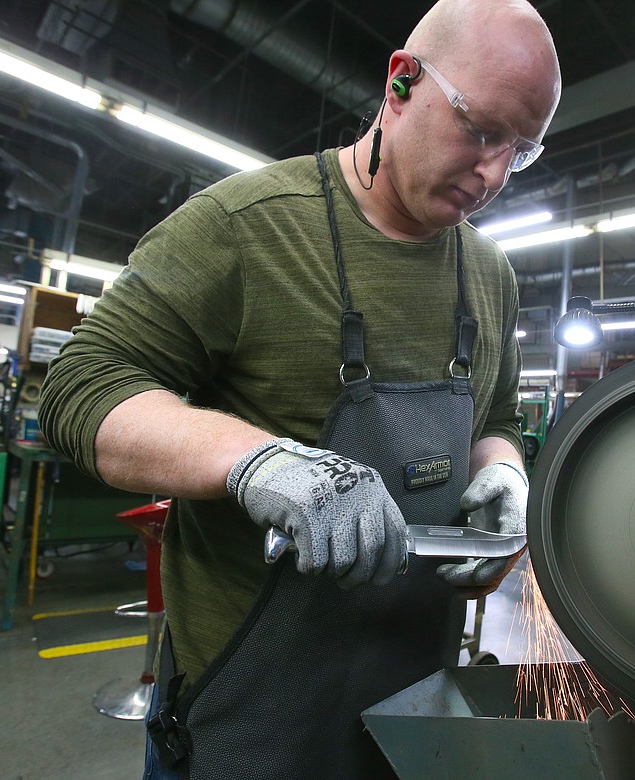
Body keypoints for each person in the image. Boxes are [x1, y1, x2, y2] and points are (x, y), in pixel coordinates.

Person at [38, 0, 561, 776]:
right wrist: (258, 463)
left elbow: (498, 416)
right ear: (402, 82)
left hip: (409, 697)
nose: (492, 175)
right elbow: (81, 388)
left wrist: (504, 473)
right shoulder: (244, 229)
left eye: (519, 152)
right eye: (481, 130)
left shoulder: (489, 275)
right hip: (246, 707)